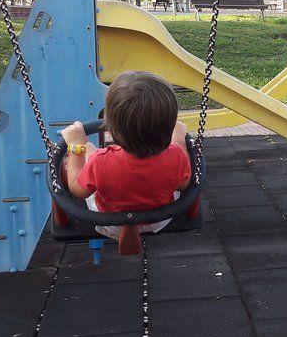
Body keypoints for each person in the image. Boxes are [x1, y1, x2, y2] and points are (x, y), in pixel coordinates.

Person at [60, 71, 192, 241]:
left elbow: (77, 191)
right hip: (159, 219)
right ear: (170, 123)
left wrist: (76, 146)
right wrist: (179, 139)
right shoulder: (176, 155)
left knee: (89, 147)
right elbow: (183, 185)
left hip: (112, 224)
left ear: (110, 125)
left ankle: (83, 147)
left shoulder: (100, 161)